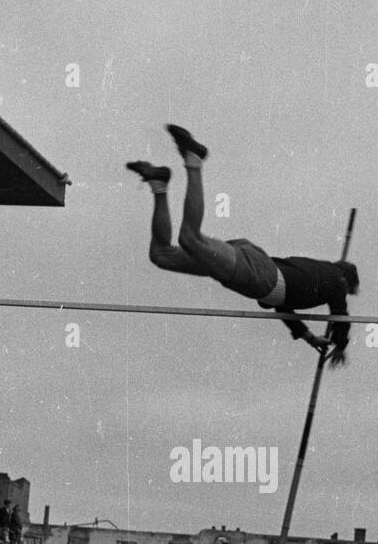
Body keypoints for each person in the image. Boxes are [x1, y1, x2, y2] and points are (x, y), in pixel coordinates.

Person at [128, 124, 360, 365]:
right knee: (190, 238)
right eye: (349, 289)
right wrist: (341, 346)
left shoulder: (315, 275)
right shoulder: (335, 280)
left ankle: (158, 183)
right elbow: (340, 316)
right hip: (260, 275)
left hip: (259, 267)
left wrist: (309, 338)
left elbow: (284, 309)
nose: (345, 293)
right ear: (346, 279)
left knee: (162, 254)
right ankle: (194, 158)